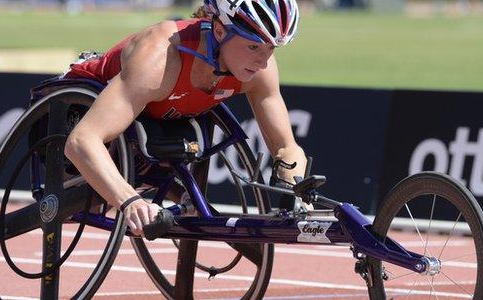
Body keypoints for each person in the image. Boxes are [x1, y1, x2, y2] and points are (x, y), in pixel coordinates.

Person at [63, 0, 307, 237]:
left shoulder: (259, 70)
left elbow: (287, 147)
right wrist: (130, 201)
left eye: (271, 48)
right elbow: (82, 140)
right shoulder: (160, 57)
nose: (263, 62)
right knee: (94, 204)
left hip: (156, 122)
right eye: (254, 47)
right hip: (77, 111)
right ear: (220, 31)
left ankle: (177, 194)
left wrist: (294, 190)